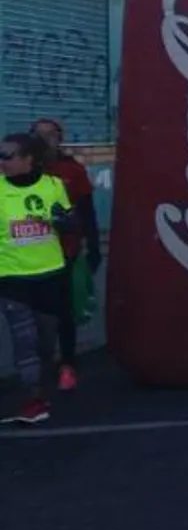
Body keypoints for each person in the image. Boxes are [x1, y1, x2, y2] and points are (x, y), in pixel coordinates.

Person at [0, 132, 77, 425]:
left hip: (49, 273)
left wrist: (65, 221)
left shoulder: (53, 186)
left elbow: (71, 222)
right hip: (11, 276)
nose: (1, 162)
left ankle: (40, 392)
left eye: (7, 156)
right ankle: (31, 400)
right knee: (25, 340)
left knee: (45, 341)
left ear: (28, 160)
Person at [30, 118, 99, 392]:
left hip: (65, 252)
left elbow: (87, 210)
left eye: (51, 135)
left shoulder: (71, 170)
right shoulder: (18, 170)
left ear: (60, 139)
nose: (45, 140)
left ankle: (67, 361)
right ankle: (39, 362)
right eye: (39, 135)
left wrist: (93, 246)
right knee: (33, 313)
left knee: (64, 310)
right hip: (26, 255)